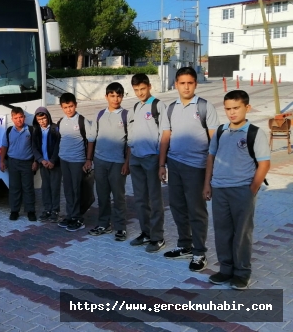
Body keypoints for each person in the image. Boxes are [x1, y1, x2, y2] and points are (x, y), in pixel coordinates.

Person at [203, 90, 270, 290]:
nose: (232, 113)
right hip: (220, 189)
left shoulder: (254, 133)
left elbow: (264, 164)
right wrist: (207, 184)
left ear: (246, 108)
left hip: (242, 190)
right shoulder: (221, 131)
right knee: (222, 231)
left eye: (236, 108)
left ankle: (242, 273)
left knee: (242, 232)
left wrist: (252, 189)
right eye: (228, 109)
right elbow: (211, 158)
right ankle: (226, 269)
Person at [159, 66, 219, 272]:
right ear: (176, 84)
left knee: (197, 211)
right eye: (182, 83)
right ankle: (184, 245)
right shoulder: (170, 108)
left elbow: (214, 141)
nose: (186, 87)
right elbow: (165, 137)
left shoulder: (204, 107)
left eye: (190, 83)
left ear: (195, 84)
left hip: (197, 167)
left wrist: (210, 175)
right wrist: (161, 164)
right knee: (177, 207)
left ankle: (199, 252)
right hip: (174, 165)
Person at [127, 73, 169, 252]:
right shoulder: (135, 107)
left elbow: (165, 135)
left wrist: (161, 164)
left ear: (149, 86)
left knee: (154, 199)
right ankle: (145, 232)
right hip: (136, 158)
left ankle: (157, 237)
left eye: (142, 89)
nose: (140, 93)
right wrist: (129, 159)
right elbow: (131, 135)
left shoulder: (158, 105)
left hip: (152, 159)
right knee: (140, 199)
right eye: (136, 90)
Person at [85, 83, 130, 241]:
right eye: (112, 95)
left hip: (118, 163)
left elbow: (130, 142)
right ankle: (104, 224)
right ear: (106, 97)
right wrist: (89, 159)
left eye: (119, 95)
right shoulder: (99, 115)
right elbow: (91, 138)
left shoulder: (126, 115)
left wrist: (127, 163)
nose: (115, 99)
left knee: (118, 196)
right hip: (100, 161)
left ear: (122, 97)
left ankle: (120, 227)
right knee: (102, 195)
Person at [56, 92, 91, 232]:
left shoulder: (82, 121)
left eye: (71, 106)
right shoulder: (61, 122)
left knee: (77, 190)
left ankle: (78, 218)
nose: (68, 109)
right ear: (61, 107)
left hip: (78, 161)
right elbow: (61, 139)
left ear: (75, 105)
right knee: (68, 190)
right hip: (64, 160)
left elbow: (91, 141)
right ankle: (70, 215)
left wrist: (88, 160)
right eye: (65, 107)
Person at [0, 107, 37, 221]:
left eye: (21, 117)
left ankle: (30, 211)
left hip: (27, 163)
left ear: (24, 117)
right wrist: (1, 161)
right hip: (13, 162)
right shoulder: (9, 131)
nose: (19, 120)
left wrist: (36, 162)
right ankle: (14, 211)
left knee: (28, 188)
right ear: (12, 119)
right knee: (14, 188)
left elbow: (36, 148)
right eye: (16, 118)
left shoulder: (31, 130)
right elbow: (4, 147)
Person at [31, 107, 61, 223]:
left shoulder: (55, 129)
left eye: (44, 118)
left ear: (48, 117)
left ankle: (55, 211)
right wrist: (41, 160)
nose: (42, 121)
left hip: (55, 164)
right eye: (39, 120)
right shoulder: (36, 131)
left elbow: (58, 145)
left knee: (55, 187)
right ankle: (47, 209)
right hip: (44, 164)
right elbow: (34, 147)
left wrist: (53, 160)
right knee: (46, 187)